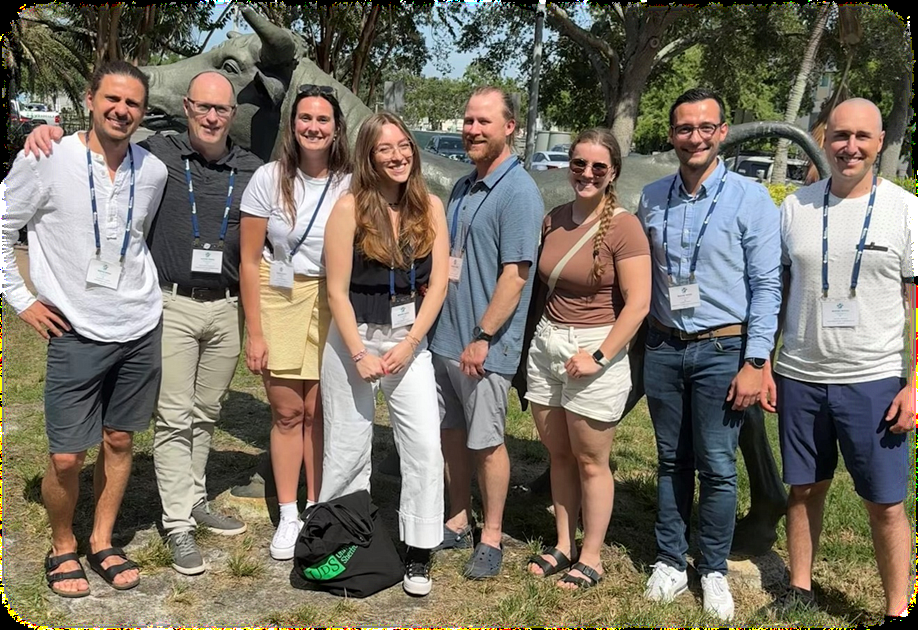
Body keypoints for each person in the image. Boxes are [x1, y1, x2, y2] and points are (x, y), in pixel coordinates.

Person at [23, 71, 264, 576]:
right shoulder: (158, 154)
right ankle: (175, 523)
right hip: (169, 303)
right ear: (186, 107)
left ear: (233, 114)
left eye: (221, 109)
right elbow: (94, 146)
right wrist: (45, 132)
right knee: (171, 417)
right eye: (203, 107)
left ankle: (191, 500)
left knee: (204, 412)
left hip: (218, 308)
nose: (212, 117)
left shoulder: (248, 168)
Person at [1, 61, 168, 597]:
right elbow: (2, 223)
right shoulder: (47, 158)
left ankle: (101, 540)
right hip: (74, 330)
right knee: (66, 455)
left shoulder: (153, 171)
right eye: (112, 99)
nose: (122, 110)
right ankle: (62, 545)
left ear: (143, 112)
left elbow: (137, 241)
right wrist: (22, 300)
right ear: (90, 99)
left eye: (133, 103)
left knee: (119, 439)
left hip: (139, 326)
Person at [763, 98, 916, 622]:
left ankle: (897, 609)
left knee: (885, 504)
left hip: (874, 379)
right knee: (803, 488)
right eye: (840, 136)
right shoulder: (796, 207)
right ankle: (800, 588)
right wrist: (765, 362)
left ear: (880, 143)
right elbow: (778, 291)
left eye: (862, 137)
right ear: (825, 141)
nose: (850, 147)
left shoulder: (905, 210)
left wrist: (915, 385)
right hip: (800, 374)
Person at [637, 88, 781, 621]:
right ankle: (671, 560)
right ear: (671, 135)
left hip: (723, 348)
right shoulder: (652, 197)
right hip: (664, 345)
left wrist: (756, 361)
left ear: (721, 133)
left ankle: (713, 567)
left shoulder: (750, 199)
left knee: (718, 467)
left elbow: (767, 287)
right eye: (684, 128)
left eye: (705, 128)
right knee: (671, 460)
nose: (694, 138)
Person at [320, 112, 449, 596]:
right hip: (354, 338)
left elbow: (439, 284)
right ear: (368, 157)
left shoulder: (430, 206)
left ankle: (419, 549)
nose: (397, 156)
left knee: (424, 446)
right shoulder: (348, 209)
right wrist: (359, 354)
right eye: (384, 149)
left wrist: (410, 344)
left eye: (403, 146)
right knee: (346, 447)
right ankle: (340, 545)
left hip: (408, 340)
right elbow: (336, 291)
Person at [524, 128, 651, 589]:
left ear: (613, 172)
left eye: (599, 166)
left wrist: (598, 356)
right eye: (579, 163)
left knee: (592, 460)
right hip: (548, 343)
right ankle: (563, 543)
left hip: (595, 345)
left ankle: (592, 555)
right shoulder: (554, 219)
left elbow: (638, 303)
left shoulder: (624, 227)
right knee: (559, 454)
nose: (587, 173)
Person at [429, 86, 543, 579]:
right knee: (451, 434)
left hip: (484, 347)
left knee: (487, 442)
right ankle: (458, 518)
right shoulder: (462, 186)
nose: (472, 130)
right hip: (445, 340)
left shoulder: (519, 192)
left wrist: (482, 335)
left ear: (510, 127)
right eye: (468, 120)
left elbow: (516, 276)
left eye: (483, 122)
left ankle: (492, 535)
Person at [239, 84, 351, 561]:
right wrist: (255, 332)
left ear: (337, 128)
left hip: (332, 298)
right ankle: (288, 512)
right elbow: (248, 260)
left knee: (320, 412)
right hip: (279, 295)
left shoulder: (351, 183)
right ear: (292, 125)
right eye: (305, 118)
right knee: (288, 413)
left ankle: (317, 505)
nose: (314, 127)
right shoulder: (268, 178)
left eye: (323, 119)